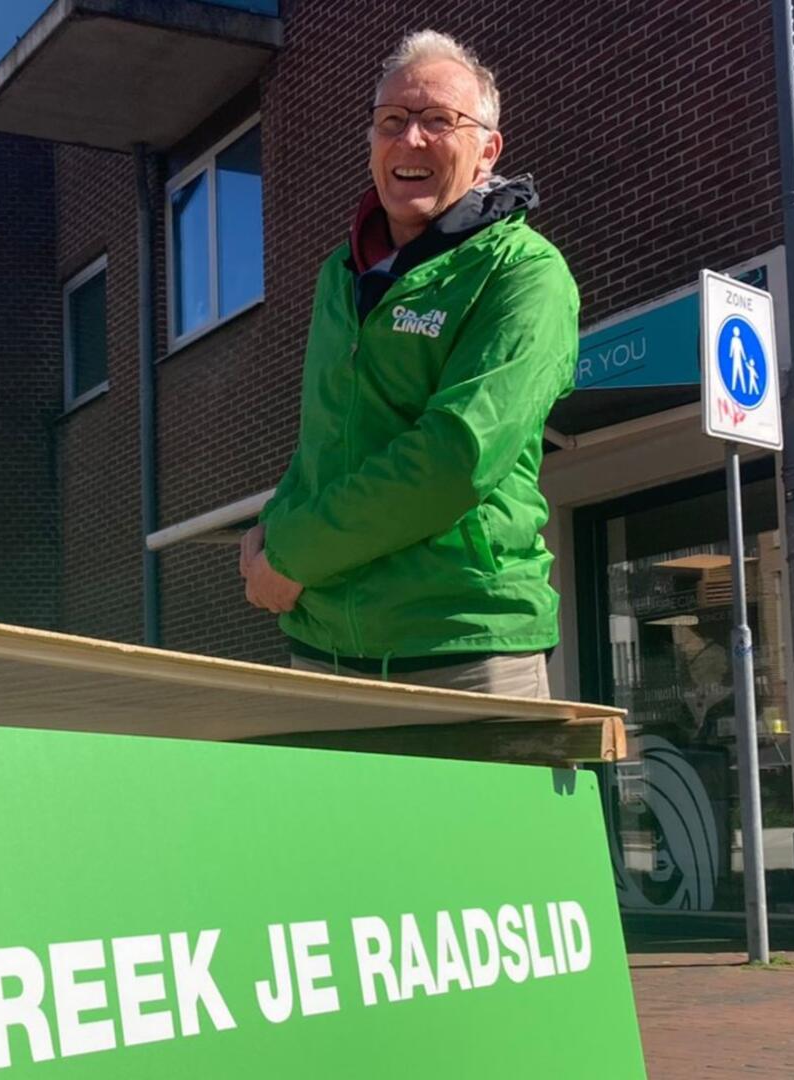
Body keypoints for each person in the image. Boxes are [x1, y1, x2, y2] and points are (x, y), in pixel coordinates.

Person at [239, 29, 579, 698]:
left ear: (488, 150)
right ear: (370, 143)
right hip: (322, 646)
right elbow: (328, 441)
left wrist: (294, 552)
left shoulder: (525, 275)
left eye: (438, 121)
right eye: (391, 121)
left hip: (460, 646)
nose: (411, 140)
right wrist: (272, 527)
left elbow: (454, 459)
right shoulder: (339, 274)